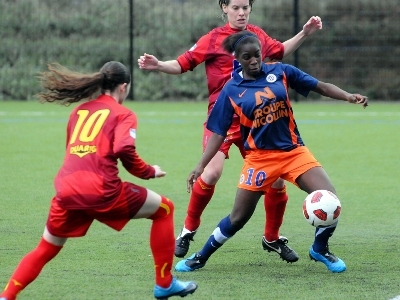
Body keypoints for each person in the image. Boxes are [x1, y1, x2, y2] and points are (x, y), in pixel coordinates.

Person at [138, 0, 323, 263]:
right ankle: (188, 230)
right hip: (224, 118)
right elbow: (183, 63)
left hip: (255, 119)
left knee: (278, 179)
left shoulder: (256, 35)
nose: (241, 12)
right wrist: (158, 65)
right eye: (235, 7)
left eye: (245, 7)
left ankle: (271, 238)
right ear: (224, 7)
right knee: (211, 171)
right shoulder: (213, 39)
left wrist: (304, 32)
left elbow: (280, 51)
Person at [174, 31, 368, 274]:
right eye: (248, 57)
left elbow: (319, 86)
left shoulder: (282, 72)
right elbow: (218, 133)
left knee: (330, 198)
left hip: (294, 152)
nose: (254, 61)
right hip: (259, 159)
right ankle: (200, 257)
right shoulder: (232, 90)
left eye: (257, 55)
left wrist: (348, 96)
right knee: (238, 218)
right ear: (238, 59)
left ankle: (319, 249)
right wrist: (200, 166)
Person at [0, 61, 198, 300]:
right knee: (165, 208)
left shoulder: (79, 111)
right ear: (123, 87)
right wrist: (148, 171)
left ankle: (6, 296)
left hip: (67, 190)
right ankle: (164, 284)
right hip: (102, 189)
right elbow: (124, 148)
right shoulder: (123, 113)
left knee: (46, 248)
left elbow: (72, 151)